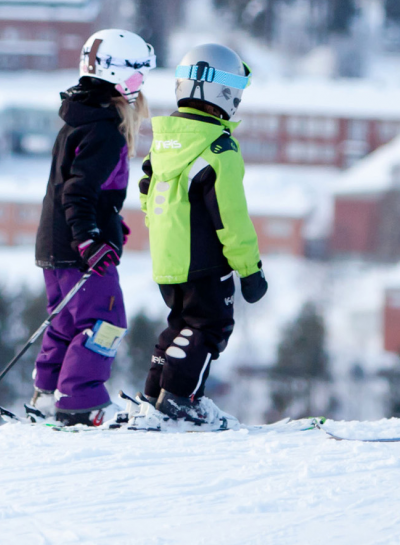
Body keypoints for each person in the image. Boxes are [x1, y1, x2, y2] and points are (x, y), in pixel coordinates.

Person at [129, 42, 268, 432]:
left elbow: (146, 194)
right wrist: (250, 270)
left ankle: (155, 394)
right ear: (221, 92)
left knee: (181, 325)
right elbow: (232, 220)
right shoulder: (219, 149)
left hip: (167, 261)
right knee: (208, 327)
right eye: (236, 91)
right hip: (205, 262)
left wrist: (167, 238)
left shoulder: (165, 140)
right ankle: (180, 401)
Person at [33, 28, 156, 426]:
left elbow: (82, 189)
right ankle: (79, 402)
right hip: (78, 249)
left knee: (67, 322)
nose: (139, 89)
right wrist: (89, 238)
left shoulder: (79, 119)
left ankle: (48, 395)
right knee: (106, 323)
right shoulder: (105, 129)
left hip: (55, 247)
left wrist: (109, 222)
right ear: (113, 74)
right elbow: (78, 192)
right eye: (136, 77)